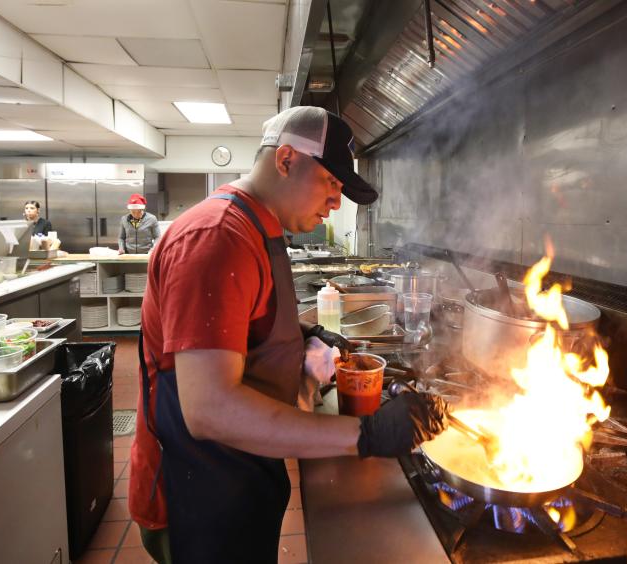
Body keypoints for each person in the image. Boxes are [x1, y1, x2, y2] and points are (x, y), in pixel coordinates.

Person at [129, 106, 448, 564]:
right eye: (333, 184)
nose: (338, 203)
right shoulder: (218, 237)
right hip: (197, 492)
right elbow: (210, 409)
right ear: (285, 161)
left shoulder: (260, 227)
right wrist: (365, 435)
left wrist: (307, 331)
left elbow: (242, 322)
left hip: (238, 473)